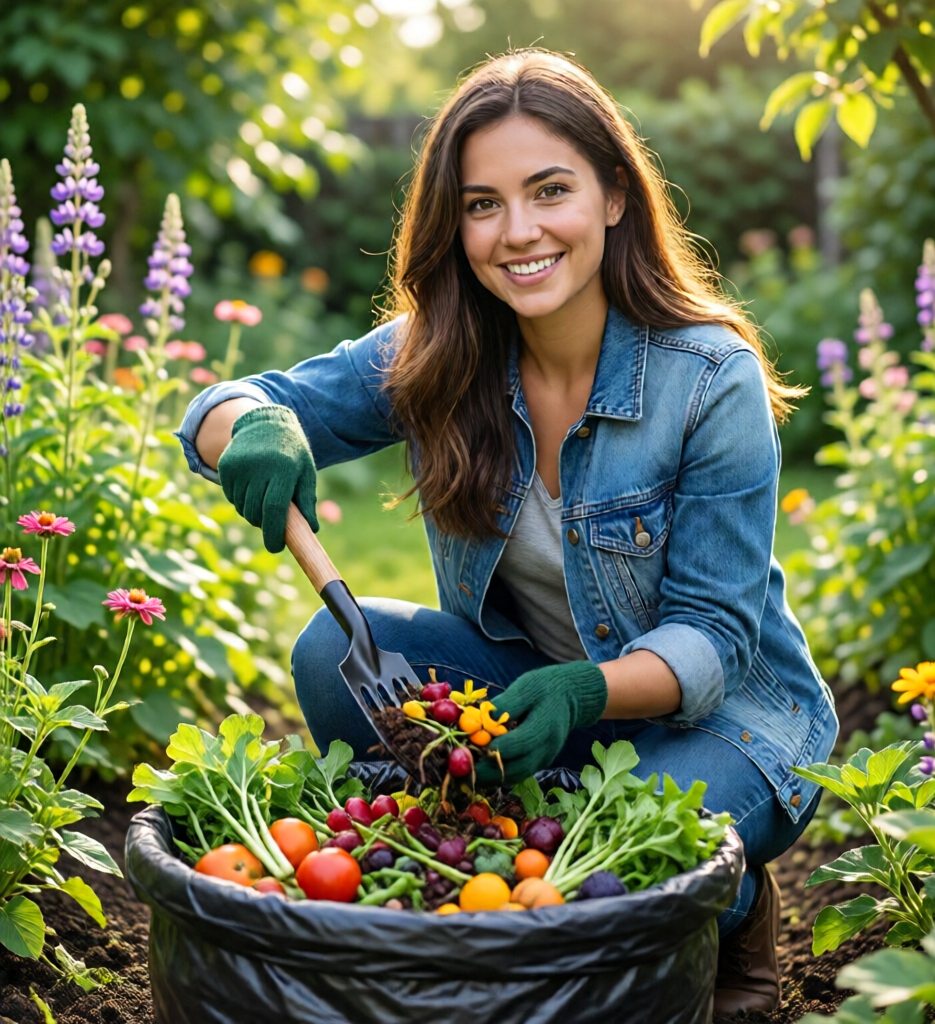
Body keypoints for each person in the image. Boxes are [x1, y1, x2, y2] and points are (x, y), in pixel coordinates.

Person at [177, 50, 838, 1013]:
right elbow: (229, 405)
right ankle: (535, 824)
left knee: (615, 837)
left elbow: (715, 640)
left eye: (549, 191)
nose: (516, 232)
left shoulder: (708, 380)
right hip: (525, 693)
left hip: (724, 722)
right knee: (333, 653)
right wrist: (254, 425)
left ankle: (730, 906)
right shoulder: (439, 351)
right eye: (483, 203)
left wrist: (583, 692)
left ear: (615, 196)